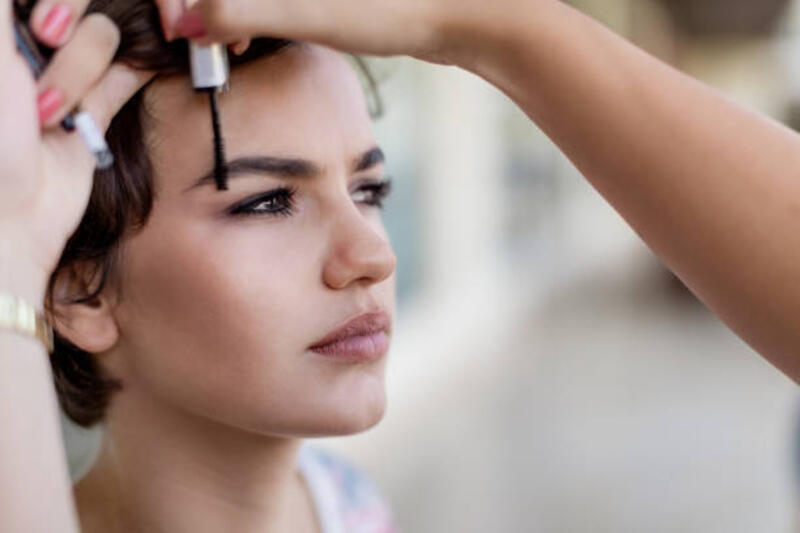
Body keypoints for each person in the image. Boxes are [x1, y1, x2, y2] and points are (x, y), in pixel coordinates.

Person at [4, 0, 800, 531]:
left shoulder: (343, 506)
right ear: (78, 281)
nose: (373, 254)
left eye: (371, 187)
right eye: (268, 202)